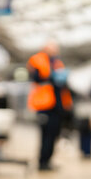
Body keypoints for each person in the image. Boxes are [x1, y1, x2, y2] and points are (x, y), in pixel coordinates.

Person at [27, 40, 73, 171]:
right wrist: (51, 77)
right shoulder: (37, 60)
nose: (55, 51)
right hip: (44, 105)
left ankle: (48, 160)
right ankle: (42, 162)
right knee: (45, 134)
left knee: (54, 134)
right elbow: (36, 78)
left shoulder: (57, 63)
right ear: (45, 48)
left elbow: (64, 85)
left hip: (57, 105)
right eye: (53, 48)